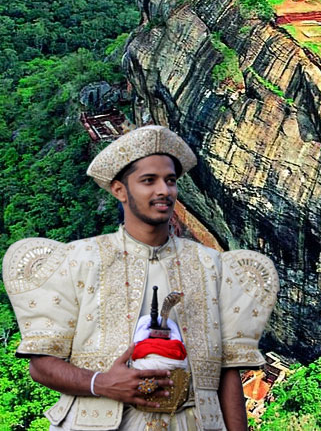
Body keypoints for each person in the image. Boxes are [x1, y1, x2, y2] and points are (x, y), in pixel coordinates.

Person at [2, 125, 279, 430]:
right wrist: (101, 383)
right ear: (119, 189)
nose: (163, 190)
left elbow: (227, 371)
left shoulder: (213, 266)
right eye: (149, 180)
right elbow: (41, 365)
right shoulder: (78, 260)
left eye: (170, 181)